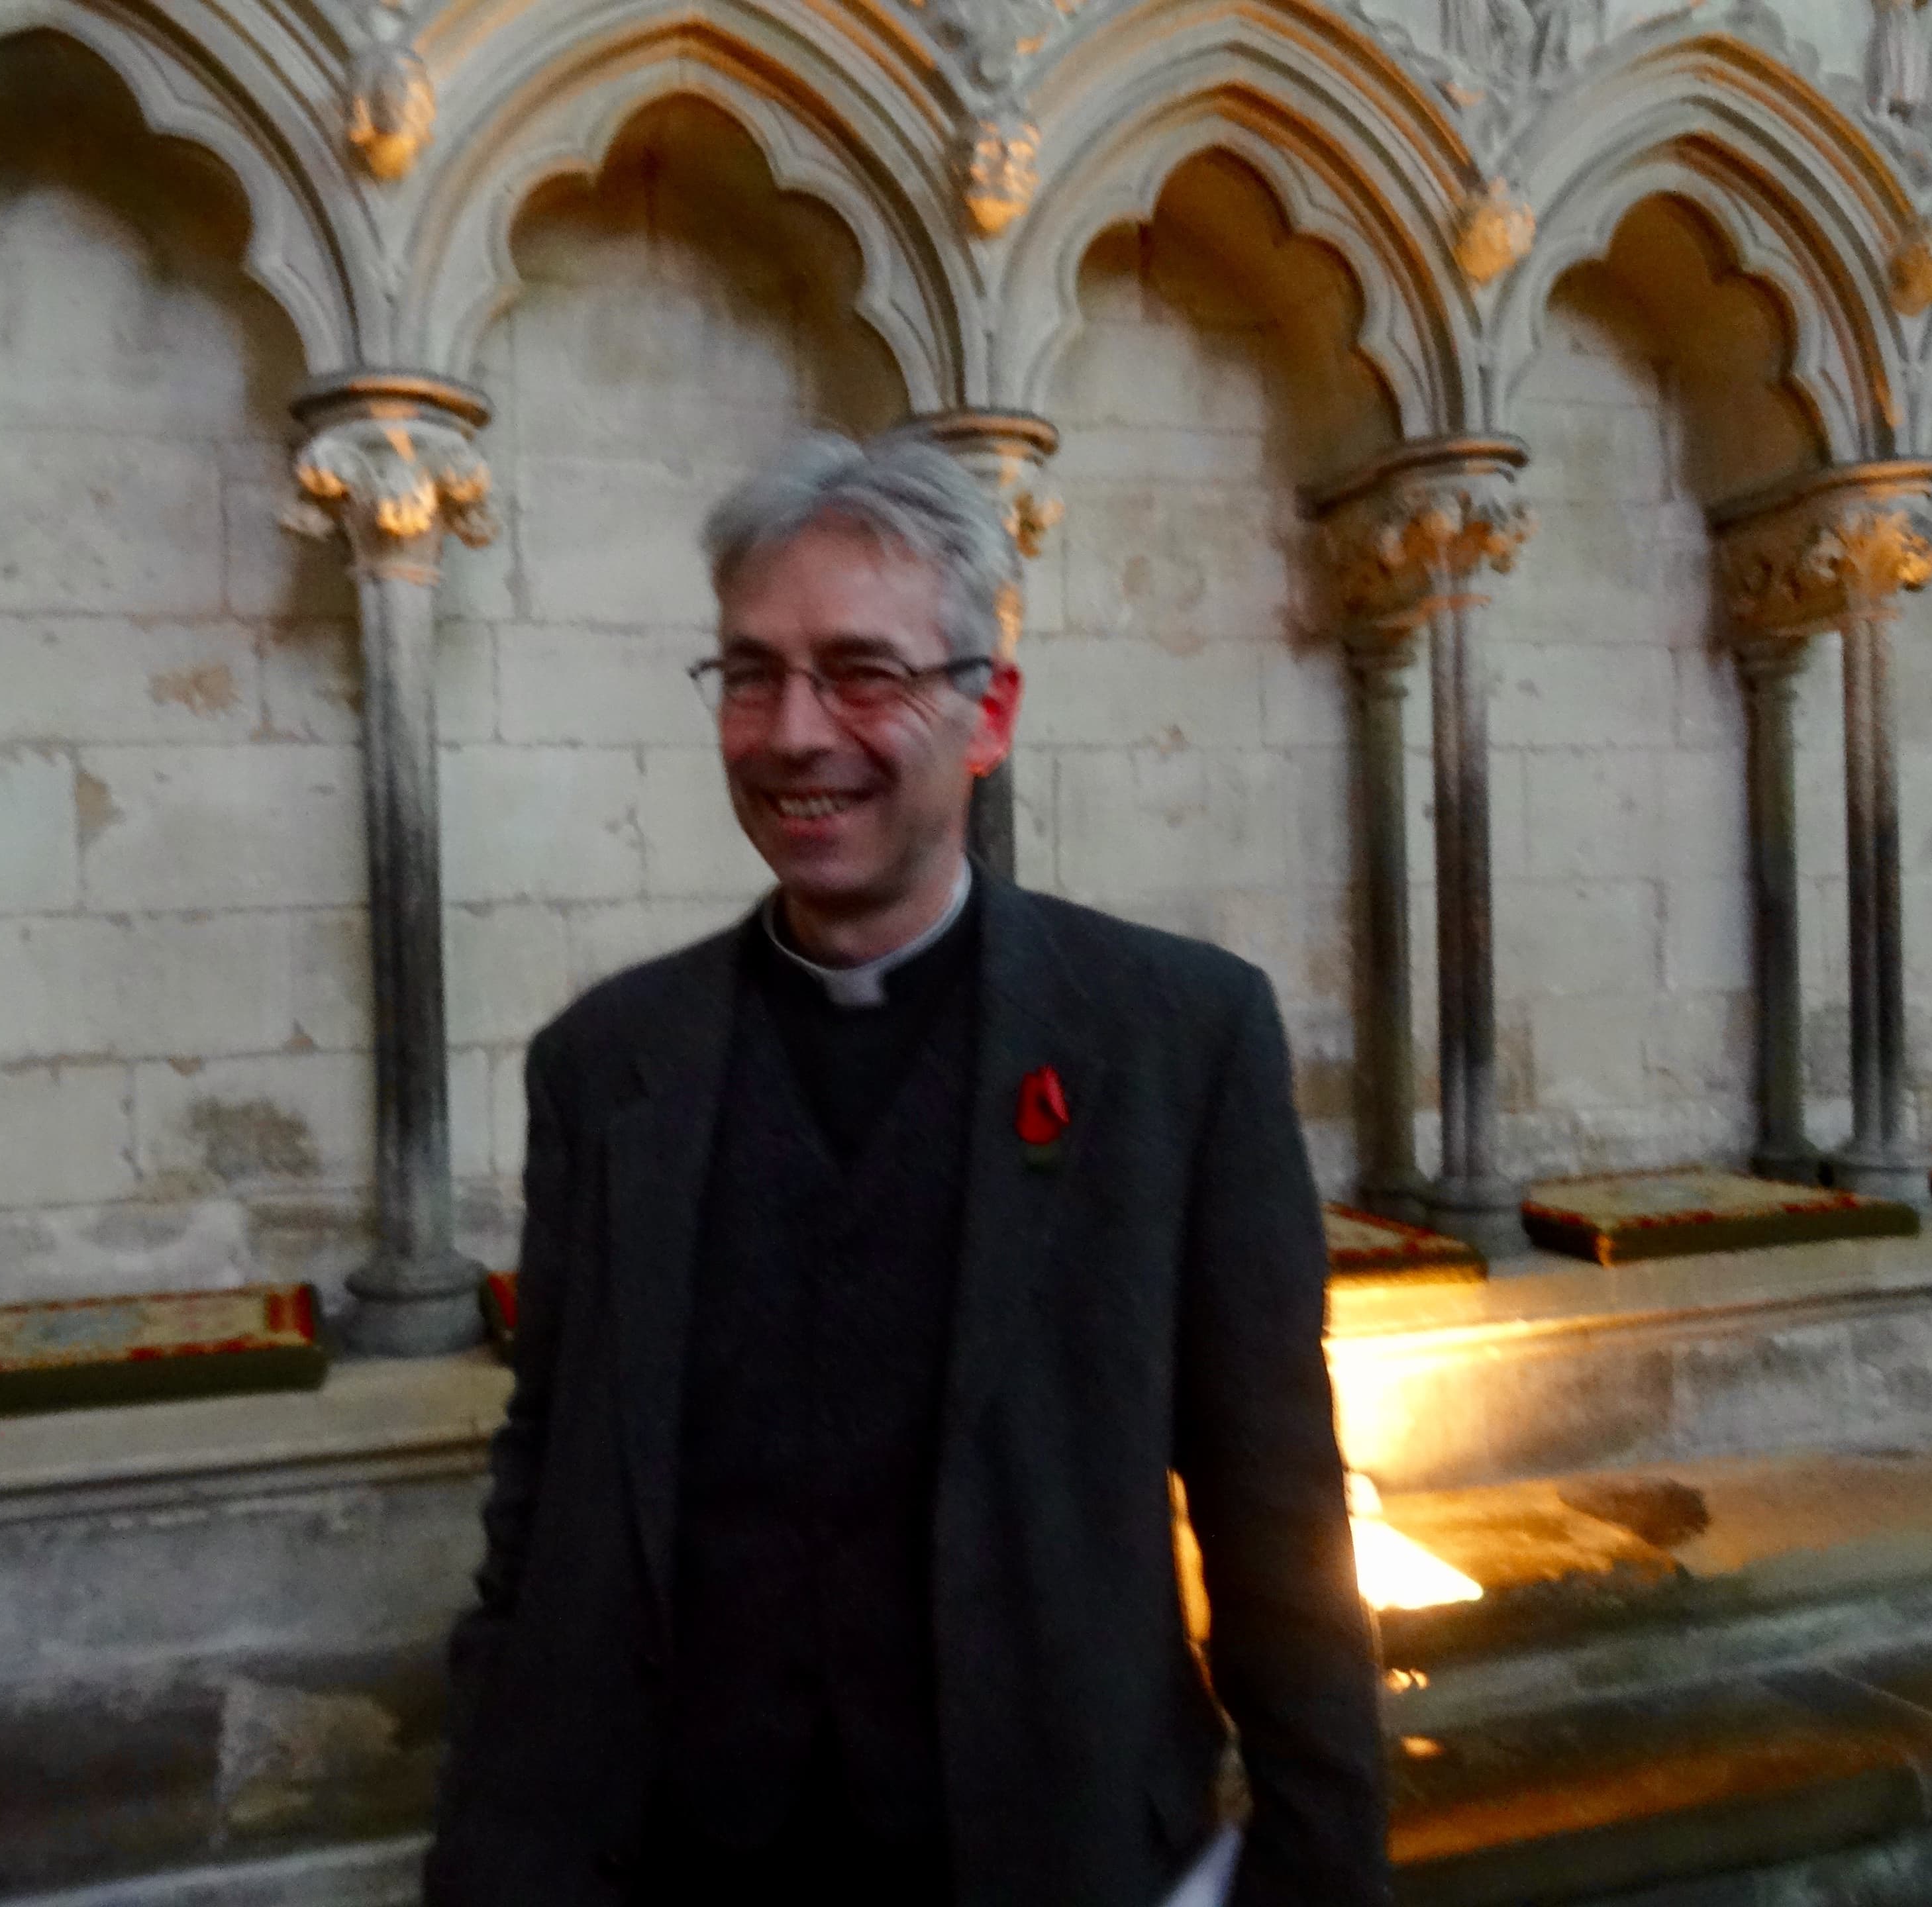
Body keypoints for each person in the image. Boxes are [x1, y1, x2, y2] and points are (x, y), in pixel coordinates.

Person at [423, 430, 1388, 1907]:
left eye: (862, 674)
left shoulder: (1174, 1040)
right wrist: (489, 1845)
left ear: (986, 713)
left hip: (1046, 1854)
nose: (795, 733)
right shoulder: (608, 1065)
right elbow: (547, 1481)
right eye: (752, 675)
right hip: (683, 1862)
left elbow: (1277, 1505)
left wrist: (1319, 1868)